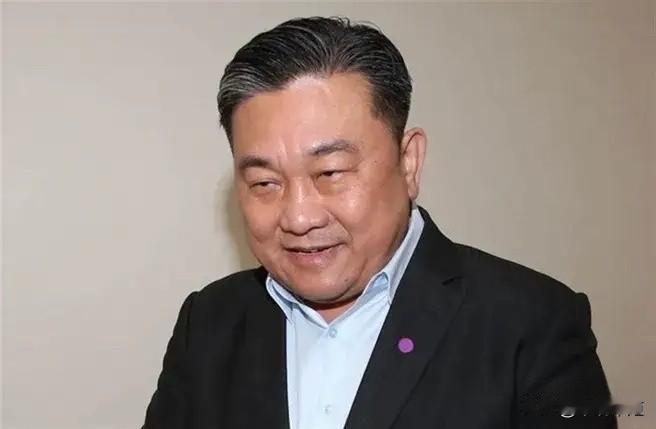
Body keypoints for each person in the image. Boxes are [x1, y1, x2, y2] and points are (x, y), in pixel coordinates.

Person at [143, 16, 616, 429]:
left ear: (409, 163)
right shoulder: (208, 324)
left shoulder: (532, 324)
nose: (299, 217)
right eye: (265, 183)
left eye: (331, 173)